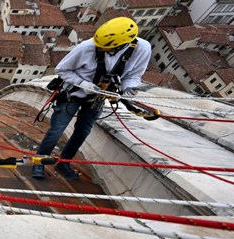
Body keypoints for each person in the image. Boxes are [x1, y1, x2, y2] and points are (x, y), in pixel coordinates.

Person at [33, 16, 151, 180]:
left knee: (83, 132)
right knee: (57, 130)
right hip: (73, 93)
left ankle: (64, 163)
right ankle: (39, 160)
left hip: (97, 98)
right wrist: (83, 83)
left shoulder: (142, 49)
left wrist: (128, 89)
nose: (101, 50)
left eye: (106, 49)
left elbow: (133, 75)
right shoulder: (87, 47)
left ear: (123, 44)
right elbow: (62, 69)